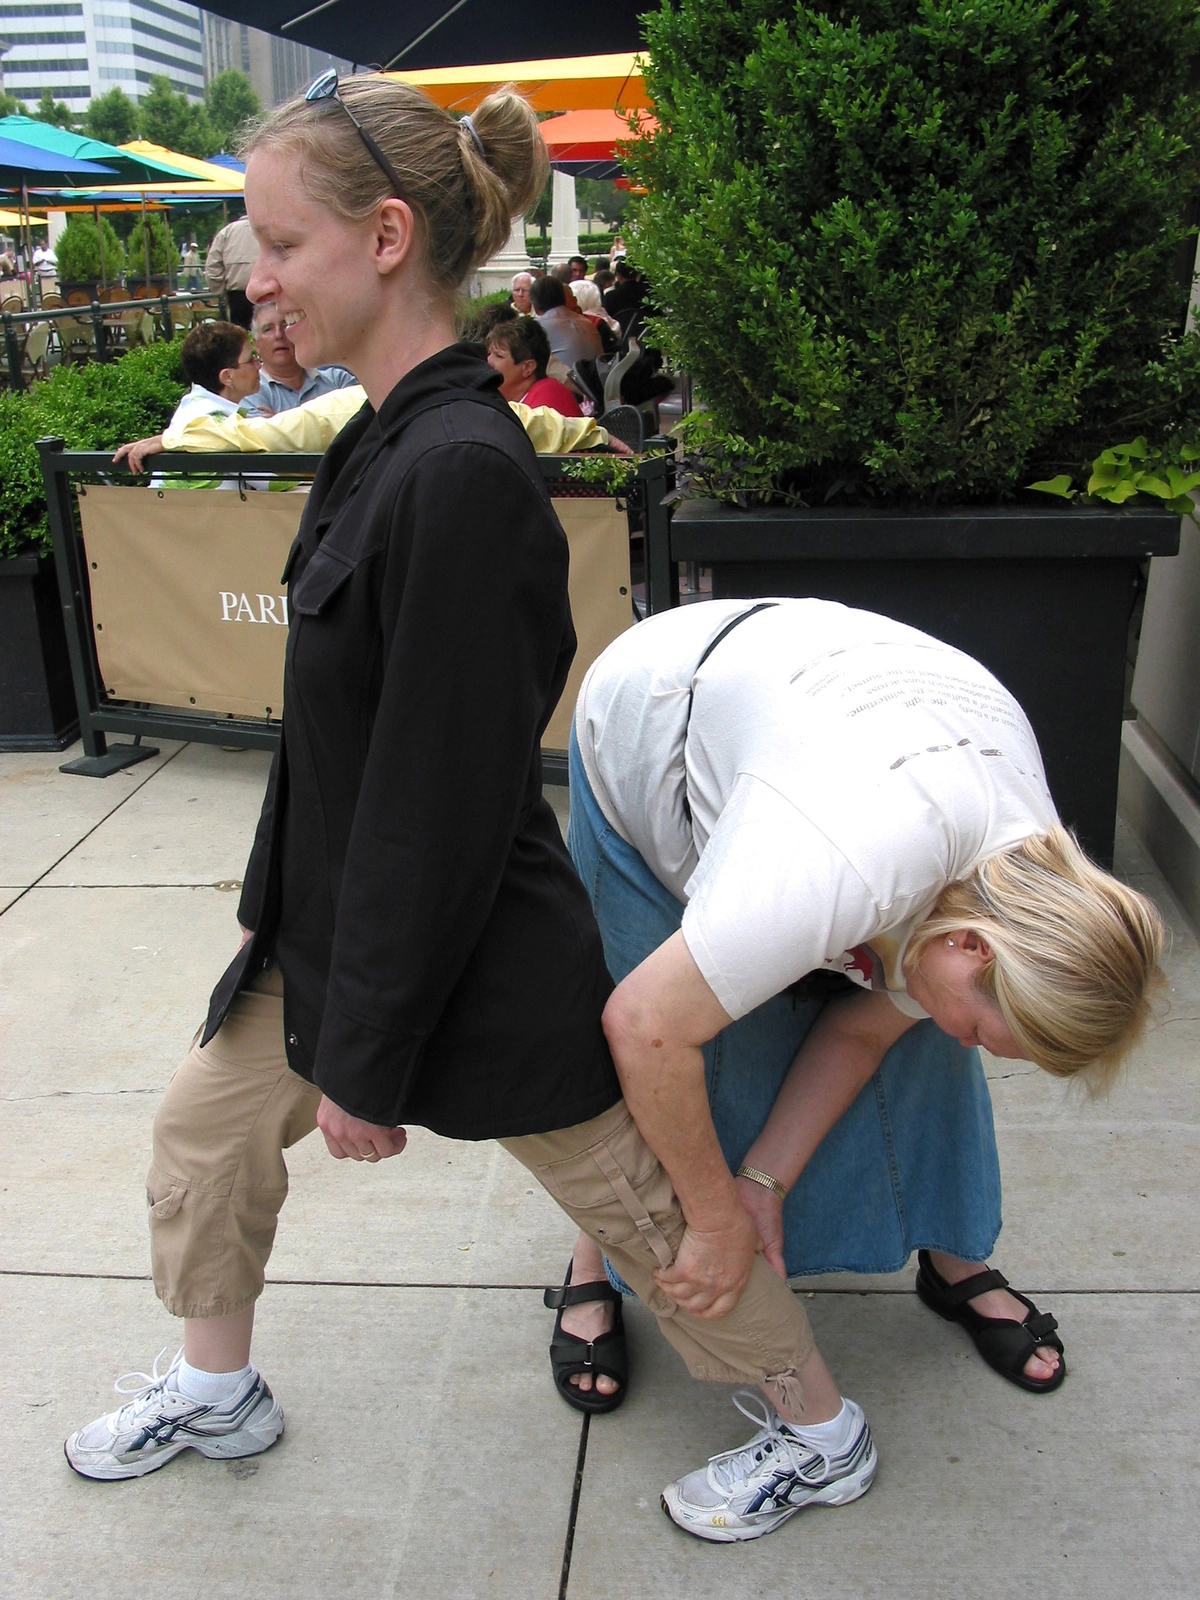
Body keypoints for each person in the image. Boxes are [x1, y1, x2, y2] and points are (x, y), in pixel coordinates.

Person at [69, 74, 857, 1549]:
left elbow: (439, 803)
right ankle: (217, 1388)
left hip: (473, 958)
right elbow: (343, 752)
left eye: (279, 244)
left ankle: (819, 1428)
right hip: (334, 930)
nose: (256, 280)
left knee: (647, 1218)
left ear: (384, 239)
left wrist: (365, 1063)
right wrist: (279, 933)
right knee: (205, 1137)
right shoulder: (379, 436)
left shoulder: (459, 472)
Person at [551, 598, 1164, 1440]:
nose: (974, 1045)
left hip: (838, 713)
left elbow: (863, 1030)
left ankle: (950, 1254)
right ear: (971, 947)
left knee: (922, 1038)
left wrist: (760, 1184)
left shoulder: (1026, 886)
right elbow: (645, 1028)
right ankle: (593, 1257)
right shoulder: (844, 863)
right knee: (650, 1007)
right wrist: (716, 1221)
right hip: (655, 712)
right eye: (985, 1033)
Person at [242, 299, 358, 416]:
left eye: (285, 325)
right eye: (268, 329)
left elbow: (364, 422)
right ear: (256, 345)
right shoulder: (249, 392)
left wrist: (279, 423)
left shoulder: (338, 380)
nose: (278, 335)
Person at [486, 315, 582, 415]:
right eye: (489, 353)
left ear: (528, 367)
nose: (488, 361)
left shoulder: (547, 398)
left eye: (499, 356)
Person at [532, 272, 602, 367]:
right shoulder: (587, 323)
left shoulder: (537, 329)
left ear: (535, 308)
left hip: (570, 375)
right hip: (601, 375)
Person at [204, 215, 257, 328]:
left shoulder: (227, 232)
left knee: (240, 333)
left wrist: (221, 292)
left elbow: (212, 267)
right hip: (267, 292)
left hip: (236, 294)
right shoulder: (270, 229)